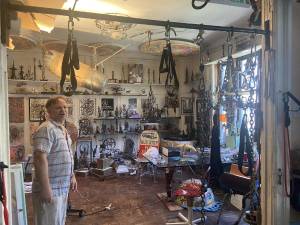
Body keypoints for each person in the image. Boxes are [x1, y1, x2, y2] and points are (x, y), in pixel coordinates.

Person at [32, 96, 77, 225]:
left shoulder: (62, 129)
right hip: (50, 188)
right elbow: (40, 159)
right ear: (49, 111)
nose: (63, 110)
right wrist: (45, 188)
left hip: (62, 187)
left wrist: (72, 175)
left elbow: (67, 154)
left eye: (65, 107)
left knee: (58, 221)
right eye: (58, 107)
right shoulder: (46, 129)